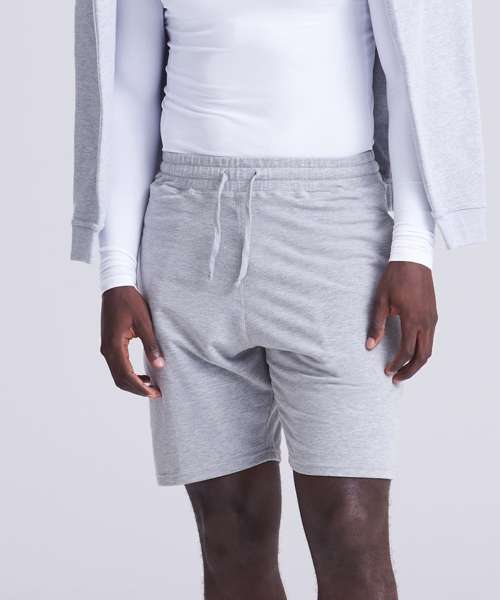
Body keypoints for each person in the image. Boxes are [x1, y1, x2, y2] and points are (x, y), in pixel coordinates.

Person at [71, 1, 487, 598]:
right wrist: (116, 272)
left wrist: (415, 249)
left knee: (349, 530)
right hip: (185, 234)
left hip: (338, 234)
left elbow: (411, 74)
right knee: (228, 535)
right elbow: (127, 92)